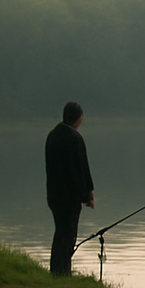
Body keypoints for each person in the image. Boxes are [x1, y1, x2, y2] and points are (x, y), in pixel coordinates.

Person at [44, 101, 94, 277]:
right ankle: (62, 272)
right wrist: (87, 195)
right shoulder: (75, 138)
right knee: (68, 236)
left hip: (54, 196)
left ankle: (57, 271)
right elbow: (80, 170)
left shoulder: (52, 135)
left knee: (60, 234)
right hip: (69, 199)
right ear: (79, 118)